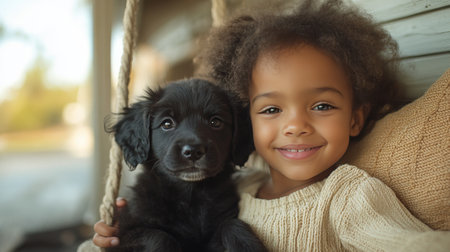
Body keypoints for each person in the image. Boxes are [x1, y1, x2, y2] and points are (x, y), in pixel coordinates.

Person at [92, 0, 450, 251]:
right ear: (249, 125)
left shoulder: (347, 197)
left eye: (322, 105)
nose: (295, 125)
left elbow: (409, 243)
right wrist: (104, 240)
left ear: (355, 118)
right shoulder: (244, 186)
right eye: (272, 109)